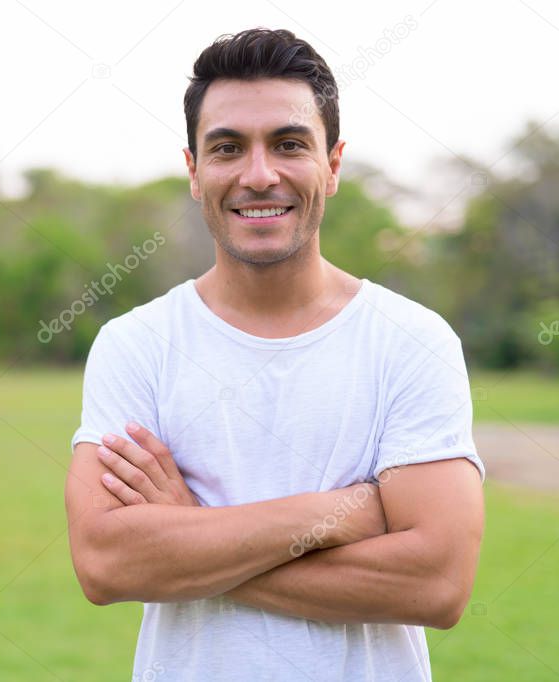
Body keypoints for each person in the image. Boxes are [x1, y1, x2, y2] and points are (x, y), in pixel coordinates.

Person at [64, 27, 485, 682]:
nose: (258, 176)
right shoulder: (136, 344)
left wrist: (188, 537)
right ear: (194, 171)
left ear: (333, 164)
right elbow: (105, 565)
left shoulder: (410, 340)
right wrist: (342, 513)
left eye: (288, 144)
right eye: (227, 148)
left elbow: (435, 584)